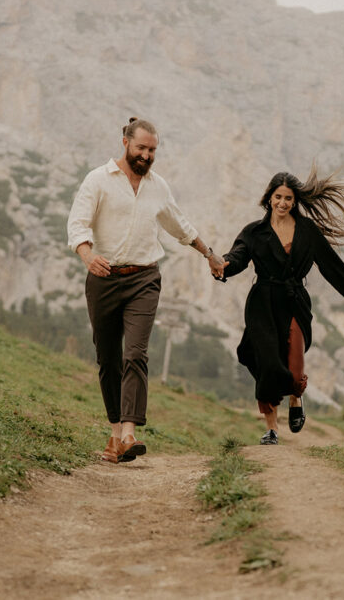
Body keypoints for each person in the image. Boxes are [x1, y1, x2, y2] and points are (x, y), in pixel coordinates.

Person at [67, 117, 226, 464]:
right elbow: (77, 223)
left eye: (152, 150)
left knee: (135, 353)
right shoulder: (98, 180)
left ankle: (129, 432)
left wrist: (210, 255)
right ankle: (114, 436)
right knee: (107, 357)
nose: (147, 155)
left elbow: (179, 225)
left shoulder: (158, 187)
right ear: (125, 142)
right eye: (141, 148)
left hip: (144, 279)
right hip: (104, 278)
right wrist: (87, 255)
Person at [218, 169, 344, 445]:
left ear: (295, 200)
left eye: (288, 198)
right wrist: (224, 266)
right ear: (269, 198)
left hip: (295, 301)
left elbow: (331, 265)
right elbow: (238, 257)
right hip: (262, 304)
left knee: (295, 367)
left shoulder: (307, 231)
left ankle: (296, 398)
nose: (283, 203)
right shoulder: (254, 231)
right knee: (268, 364)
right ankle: (271, 428)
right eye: (278, 197)